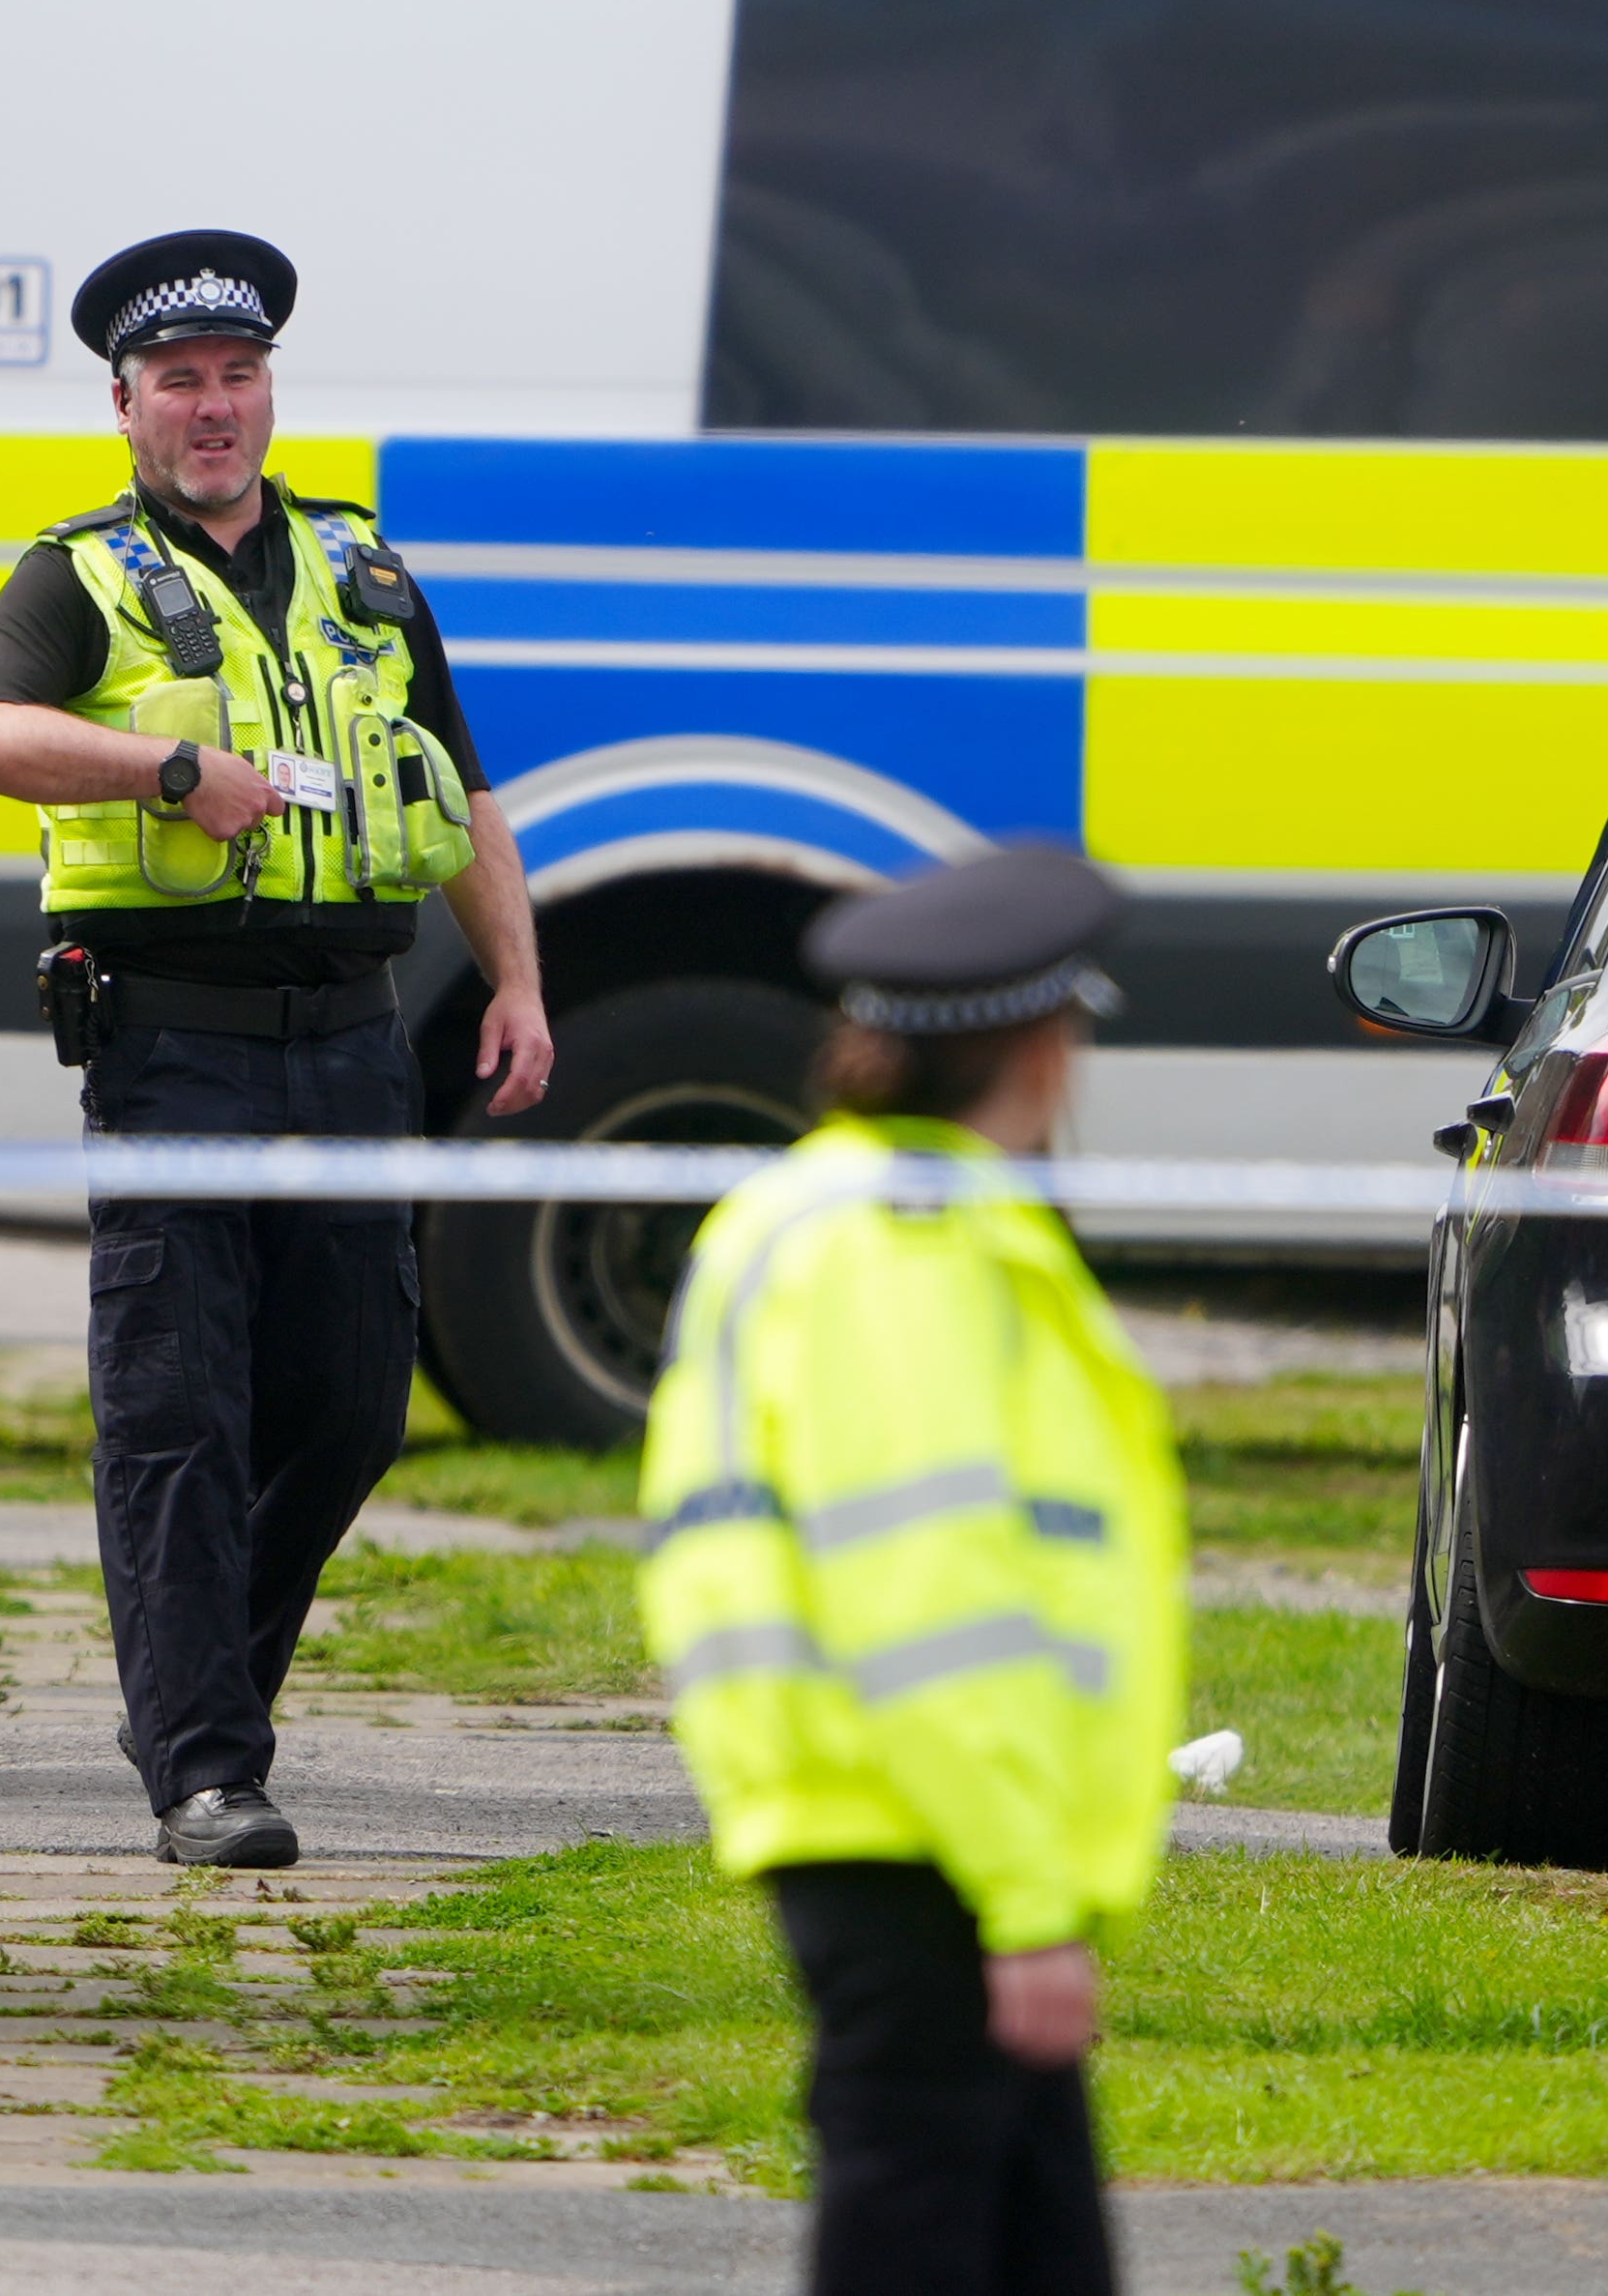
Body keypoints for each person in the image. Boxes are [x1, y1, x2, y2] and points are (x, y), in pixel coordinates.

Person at [0, 228, 557, 1867]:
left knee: (353, 1407)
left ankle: (188, 1690)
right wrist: (167, 774)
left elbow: (469, 790)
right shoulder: (73, 573)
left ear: (269, 392)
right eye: (177, 385)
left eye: (236, 377)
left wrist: (518, 983)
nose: (211, 409)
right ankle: (209, 1771)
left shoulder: (367, 570)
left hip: (354, 1043)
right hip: (173, 1047)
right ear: (127, 409)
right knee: (178, 1414)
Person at [639, 849, 1186, 2296]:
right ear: (1043, 1044)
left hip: (886, 1819)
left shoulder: (813, 1211)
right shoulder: (912, 1248)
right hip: (929, 1837)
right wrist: (1024, 1903)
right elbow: (928, 1600)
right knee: (926, 2237)